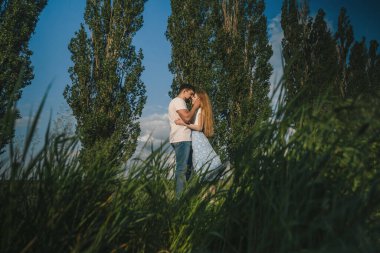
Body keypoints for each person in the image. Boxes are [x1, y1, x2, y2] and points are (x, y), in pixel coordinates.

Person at [175, 90, 223, 188]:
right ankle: (210, 198)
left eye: (194, 97)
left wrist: (183, 123)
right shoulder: (197, 110)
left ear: (200, 100)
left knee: (204, 165)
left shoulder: (201, 110)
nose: (192, 98)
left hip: (198, 139)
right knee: (202, 168)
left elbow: (199, 127)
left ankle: (211, 198)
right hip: (196, 139)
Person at [168, 84, 200, 197]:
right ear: (184, 91)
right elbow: (187, 118)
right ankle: (179, 199)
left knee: (189, 170)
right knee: (182, 168)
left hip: (183, 138)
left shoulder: (178, 102)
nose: (190, 97)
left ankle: (188, 197)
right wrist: (195, 106)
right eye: (190, 94)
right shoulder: (178, 101)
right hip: (182, 138)